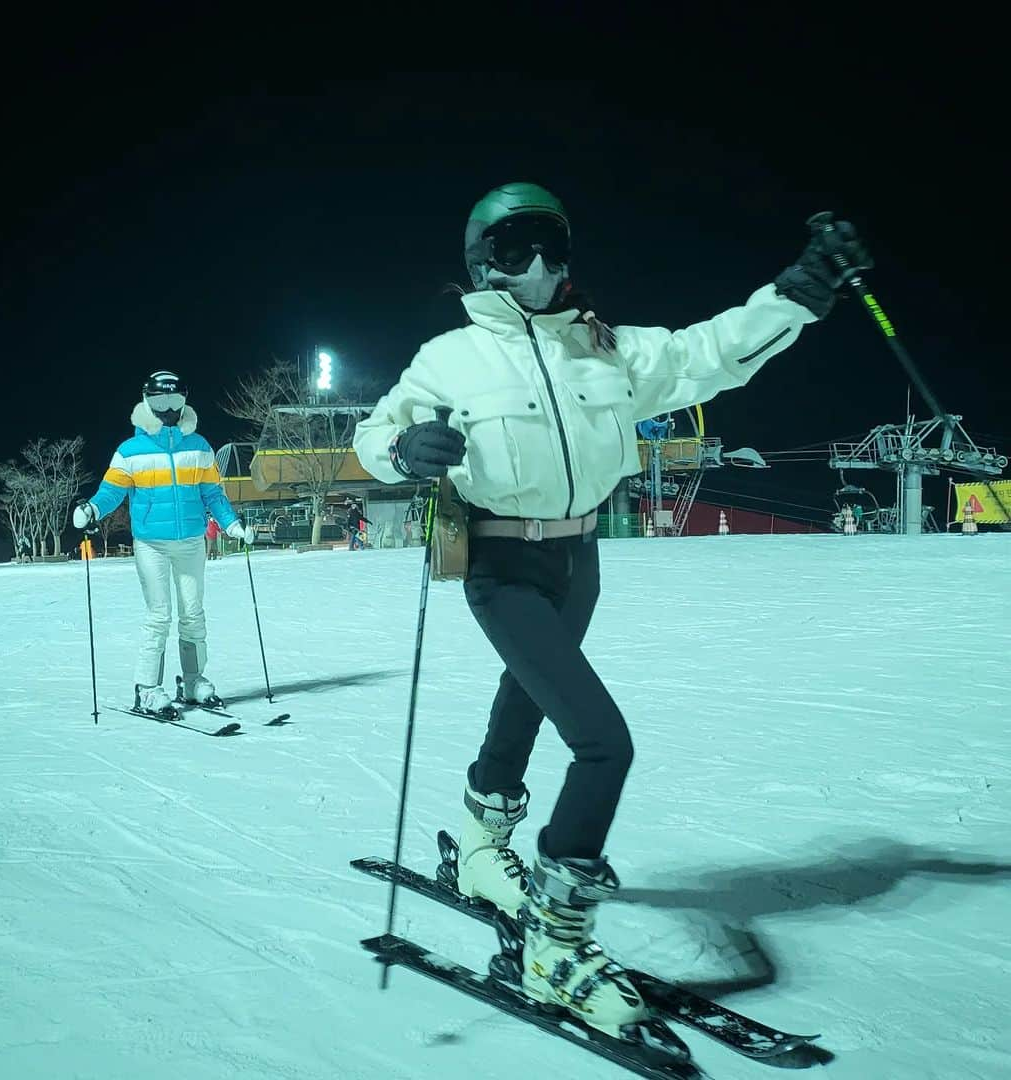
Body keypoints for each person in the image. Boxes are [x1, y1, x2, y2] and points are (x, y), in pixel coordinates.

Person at [353, 182, 871, 1035]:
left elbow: (714, 352)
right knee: (602, 742)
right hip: (501, 561)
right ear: (484, 260)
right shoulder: (449, 357)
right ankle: (558, 937)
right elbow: (378, 433)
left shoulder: (607, 349)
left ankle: (483, 842)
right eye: (521, 248)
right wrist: (405, 449)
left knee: (527, 698)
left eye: (555, 247)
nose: (545, 266)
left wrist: (801, 292)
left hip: (579, 558)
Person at [73, 371, 256, 716]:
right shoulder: (130, 451)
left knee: (193, 614)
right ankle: (148, 688)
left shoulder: (200, 447)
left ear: (184, 401)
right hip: (151, 544)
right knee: (159, 616)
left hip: (190, 541)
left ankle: (193, 681)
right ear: (147, 402)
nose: (168, 408)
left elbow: (212, 493)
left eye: (174, 401)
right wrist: (92, 508)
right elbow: (112, 490)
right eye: (160, 401)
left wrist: (232, 524)